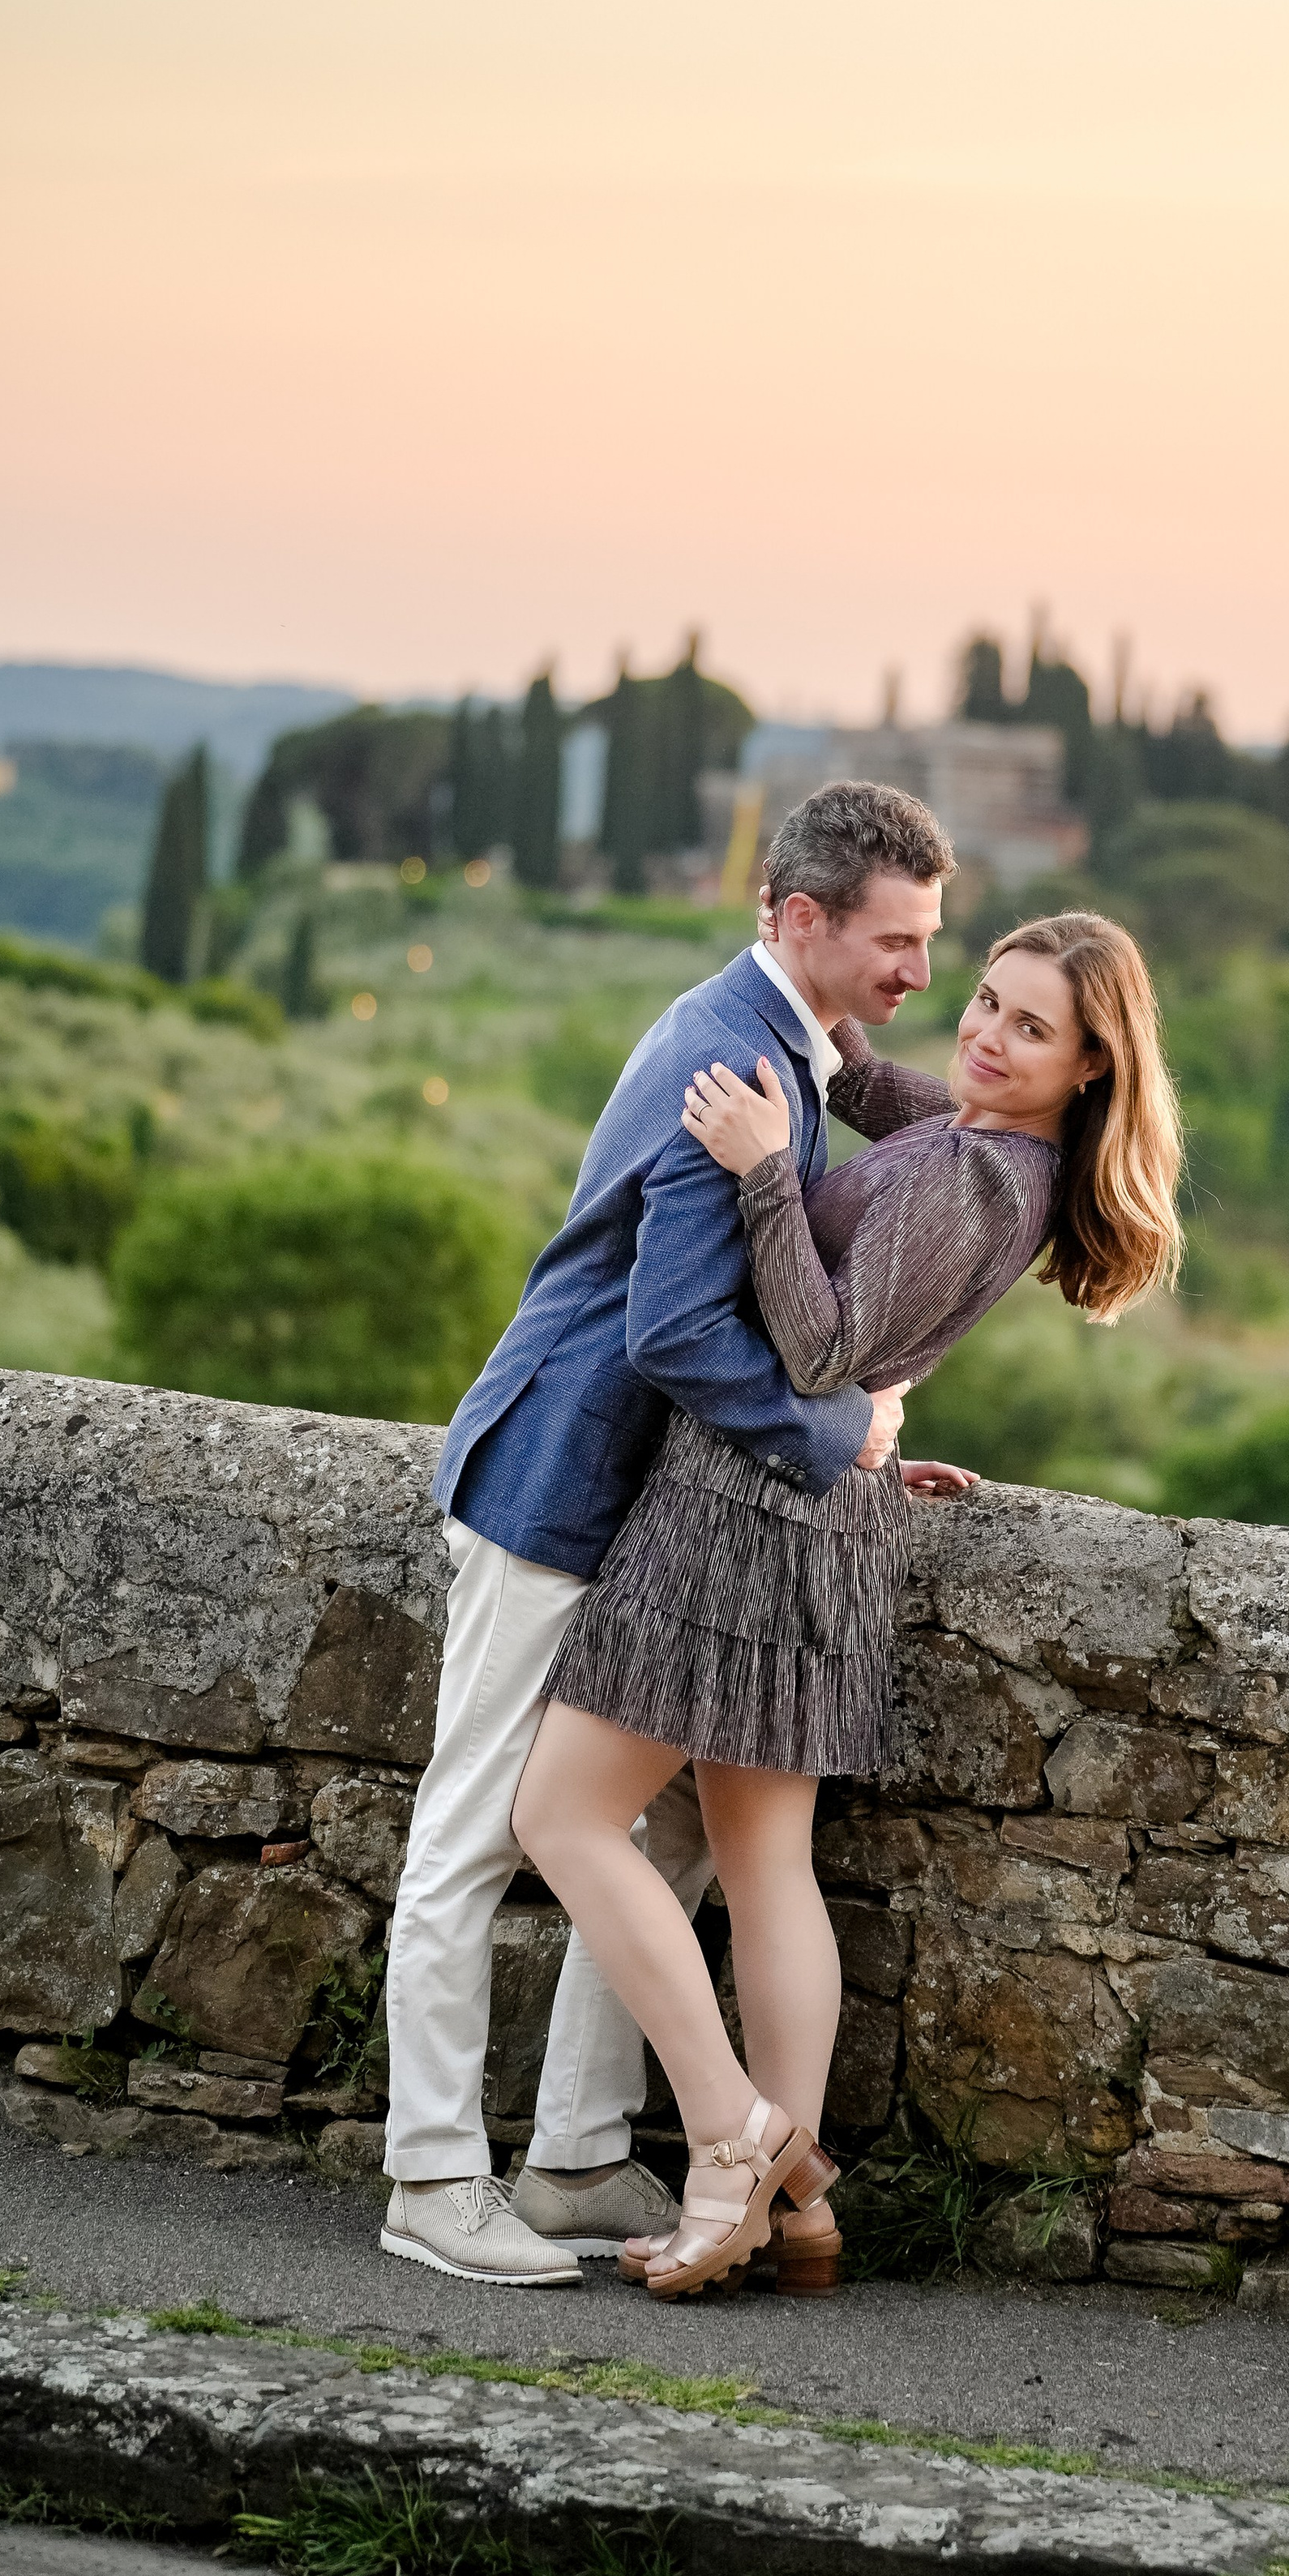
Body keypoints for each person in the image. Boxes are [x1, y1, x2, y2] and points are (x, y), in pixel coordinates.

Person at [510, 906, 1184, 2300]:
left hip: (740, 1521)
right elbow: (876, 1087)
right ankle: (793, 2205)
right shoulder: (991, 1140)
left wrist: (764, 1176)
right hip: (817, 1523)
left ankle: (738, 2139)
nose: (988, 1035)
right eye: (985, 999)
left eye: (1031, 1026)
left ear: (1094, 1068)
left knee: (561, 1815)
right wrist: (799, 980)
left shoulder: (977, 1183)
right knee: (764, 1863)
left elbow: (819, 1349)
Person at [379, 781, 956, 2285]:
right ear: (801, 917)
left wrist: (880, 1442)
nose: (917, 973)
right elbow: (683, 1330)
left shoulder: (797, 1049)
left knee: (657, 1837)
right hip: (557, 1479)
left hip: (648, 1508)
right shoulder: (726, 1051)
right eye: (896, 942)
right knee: (473, 1835)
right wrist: (848, 1441)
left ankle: (576, 2156)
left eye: (928, 943)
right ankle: (431, 2182)